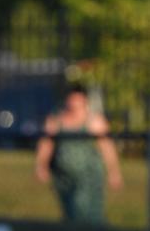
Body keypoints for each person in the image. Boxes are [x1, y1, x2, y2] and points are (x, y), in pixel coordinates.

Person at [35, 84, 123, 225]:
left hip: (88, 177)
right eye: (72, 99)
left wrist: (114, 172)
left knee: (87, 212)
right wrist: (41, 166)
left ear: (84, 101)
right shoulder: (56, 120)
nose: (74, 104)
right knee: (70, 214)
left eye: (78, 100)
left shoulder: (94, 121)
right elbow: (46, 144)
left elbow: (107, 148)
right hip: (63, 177)